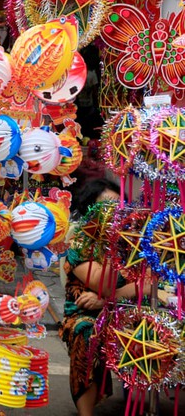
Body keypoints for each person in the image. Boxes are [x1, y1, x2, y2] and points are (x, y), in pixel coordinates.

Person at [60, 178, 150, 416]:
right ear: (91, 210)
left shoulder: (134, 241)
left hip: (126, 308)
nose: (114, 213)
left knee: (148, 332)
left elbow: (150, 284)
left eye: (118, 206)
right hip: (85, 312)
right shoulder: (80, 243)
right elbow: (105, 285)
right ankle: (86, 412)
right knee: (87, 332)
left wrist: (109, 300)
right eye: (106, 207)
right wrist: (111, 244)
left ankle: (140, 400)